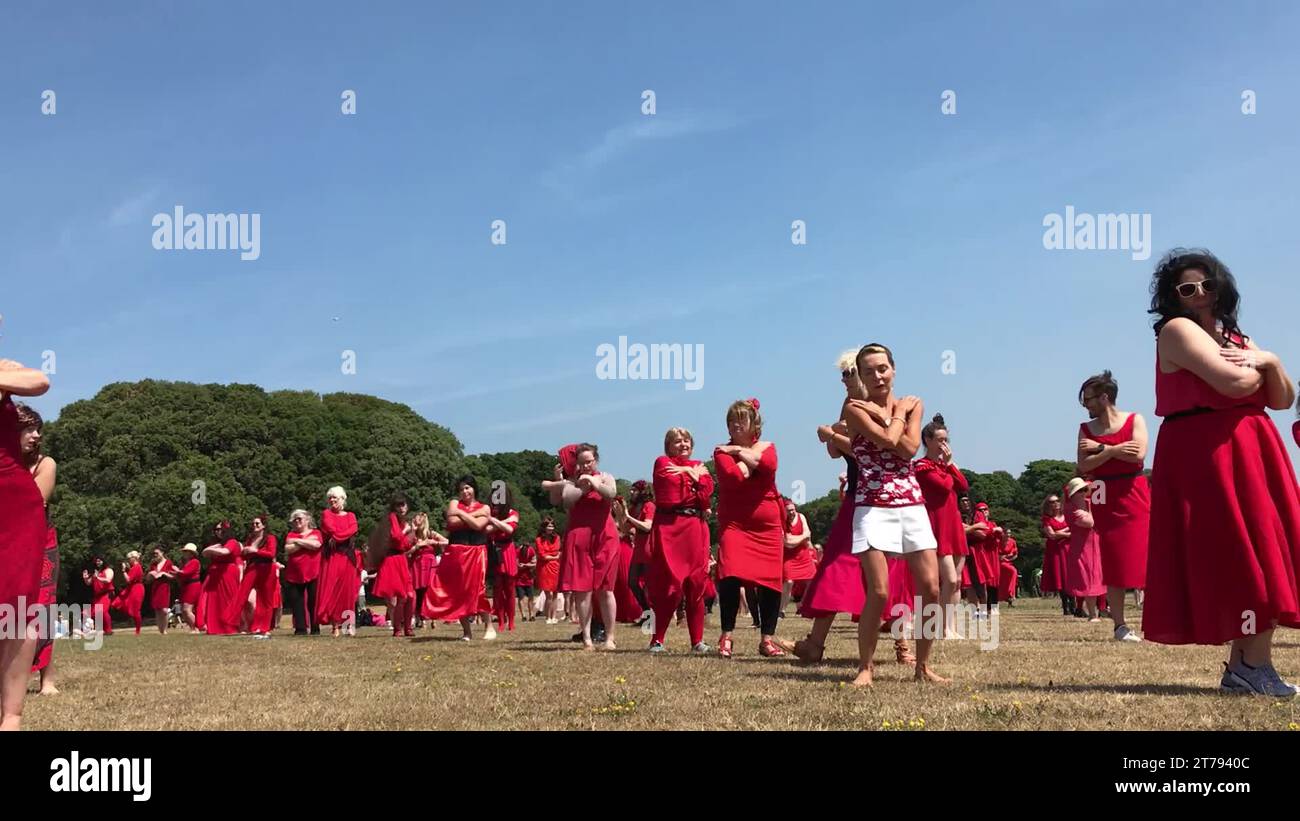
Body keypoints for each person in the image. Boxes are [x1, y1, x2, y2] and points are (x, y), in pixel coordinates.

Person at [1143, 249, 1299, 695]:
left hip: (1249, 449)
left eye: (1206, 285)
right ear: (1172, 297)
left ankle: (1242, 667)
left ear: (1221, 286)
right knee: (1244, 553)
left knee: (1259, 548)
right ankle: (1255, 665)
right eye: (1186, 289)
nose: (1198, 295)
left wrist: (1268, 362)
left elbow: (1283, 397)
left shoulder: (1235, 335)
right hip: (1207, 451)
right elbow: (1235, 384)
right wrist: (1260, 368)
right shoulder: (1176, 331)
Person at [842, 343, 946, 686]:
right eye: (869, 370)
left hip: (911, 504)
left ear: (894, 369)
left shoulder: (915, 403)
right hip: (871, 505)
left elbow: (910, 447)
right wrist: (900, 415)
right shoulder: (855, 408)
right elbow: (889, 439)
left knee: (931, 588)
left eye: (883, 368)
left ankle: (923, 666)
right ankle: (865, 667)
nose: (877, 375)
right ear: (861, 375)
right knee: (880, 591)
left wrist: (899, 419)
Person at [1077, 370, 1150, 641]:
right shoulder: (1085, 429)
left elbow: (1139, 453)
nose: (1086, 405)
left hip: (1134, 490)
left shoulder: (1135, 419)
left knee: (1146, 555)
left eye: (1089, 399)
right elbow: (1083, 465)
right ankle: (1120, 625)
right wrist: (1118, 450)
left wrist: (1104, 450)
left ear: (1105, 397)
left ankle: (1154, 620)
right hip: (1103, 492)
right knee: (1113, 558)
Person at [713, 399, 786, 658]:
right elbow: (733, 478)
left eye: (741, 419)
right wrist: (752, 459)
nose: (735, 424)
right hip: (735, 523)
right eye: (731, 420)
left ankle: (767, 640)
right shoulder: (720, 452)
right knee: (730, 574)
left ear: (754, 423)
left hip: (767, 525)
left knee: (770, 583)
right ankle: (726, 636)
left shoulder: (767, 447)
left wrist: (739, 453)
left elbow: (769, 467)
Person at [0, 356, 51, 730]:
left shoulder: (5, 368)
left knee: (17, 609)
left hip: (12, 503)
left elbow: (39, 382)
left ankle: (11, 717)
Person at [544, 444, 619, 650]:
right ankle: (586, 637)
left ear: (596, 460)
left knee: (605, 590)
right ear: (576, 463)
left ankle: (609, 637)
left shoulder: (605, 476)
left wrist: (594, 482)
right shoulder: (571, 482)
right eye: (582, 462)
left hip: (605, 537)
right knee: (582, 590)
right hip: (579, 538)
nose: (586, 465)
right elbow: (566, 502)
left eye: (589, 461)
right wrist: (579, 486)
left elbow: (610, 493)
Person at [646, 427, 714, 653]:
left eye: (686, 440)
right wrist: (695, 477)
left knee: (696, 584)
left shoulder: (698, 465)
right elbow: (670, 494)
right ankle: (657, 639)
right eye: (677, 441)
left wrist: (694, 481)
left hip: (695, 529)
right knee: (669, 587)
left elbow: (707, 493)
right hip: (670, 528)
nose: (683, 444)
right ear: (668, 446)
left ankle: (697, 641)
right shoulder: (662, 462)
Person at [913, 413, 970, 635]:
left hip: (954, 523)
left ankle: (950, 626)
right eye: (940, 440)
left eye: (946, 440)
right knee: (948, 578)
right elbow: (946, 486)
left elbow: (963, 484)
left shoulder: (944, 465)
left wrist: (949, 465)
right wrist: (947, 467)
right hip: (936, 525)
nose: (944, 444)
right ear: (927, 440)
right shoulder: (921, 467)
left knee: (956, 581)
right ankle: (939, 626)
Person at [16, 403, 59, 693]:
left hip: (40, 542)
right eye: (28, 429)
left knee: (42, 607)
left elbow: (35, 504)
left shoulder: (46, 464)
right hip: (7, 542)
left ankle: (47, 679)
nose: (36, 435)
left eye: (38, 429)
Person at [423, 476, 495, 641]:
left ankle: (489, 626)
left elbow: (478, 526)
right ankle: (466, 631)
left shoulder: (484, 507)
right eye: (462, 489)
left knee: (479, 591)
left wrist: (461, 514)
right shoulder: (454, 503)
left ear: (474, 488)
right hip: (456, 551)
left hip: (476, 552)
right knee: (457, 592)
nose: (465, 491)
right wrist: (473, 516)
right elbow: (452, 522)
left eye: (468, 488)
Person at [316, 490, 365, 636]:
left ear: (342, 499)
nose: (332, 500)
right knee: (332, 590)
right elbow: (330, 528)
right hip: (332, 557)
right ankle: (335, 626)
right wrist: (341, 535)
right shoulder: (326, 514)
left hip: (348, 557)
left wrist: (336, 537)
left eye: (335, 497)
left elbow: (354, 529)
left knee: (348, 592)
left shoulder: (351, 515)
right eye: (330, 498)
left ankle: (348, 625)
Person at [372, 493, 416, 637]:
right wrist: (406, 531)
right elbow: (396, 538)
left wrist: (411, 531)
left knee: (410, 596)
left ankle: (407, 627)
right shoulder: (392, 518)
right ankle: (399, 628)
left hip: (401, 559)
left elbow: (407, 543)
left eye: (403, 504)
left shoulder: (405, 522)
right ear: (394, 507)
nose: (401, 507)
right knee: (400, 596)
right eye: (398, 505)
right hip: (392, 559)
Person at [1064, 479, 1105, 621]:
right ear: (1072, 494)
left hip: (1095, 547)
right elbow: (1090, 522)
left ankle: (1096, 613)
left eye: (1084, 490)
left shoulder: (1087, 504)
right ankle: (1092, 614)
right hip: (1081, 549)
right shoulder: (1071, 509)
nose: (1083, 493)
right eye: (1079, 491)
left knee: (1096, 579)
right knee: (1087, 580)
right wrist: (1094, 509)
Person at [233, 515, 277, 635]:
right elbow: (244, 556)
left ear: (263, 526)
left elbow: (271, 554)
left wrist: (255, 551)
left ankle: (264, 627)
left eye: (257, 524)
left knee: (265, 599)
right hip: (252, 568)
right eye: (253, 524)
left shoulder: (270, 538)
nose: (254, 526)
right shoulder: (250, 539)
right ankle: (236, 624)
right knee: (242, 595)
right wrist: (245, 552)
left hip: (267, 568)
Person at [284, 509, 324, 635]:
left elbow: (316, 545)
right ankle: (300, 629)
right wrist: (306, 541)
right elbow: (288, 549)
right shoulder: (291, 534)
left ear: (307, 520)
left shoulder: (316, 532)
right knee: (297, 603)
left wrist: (297, 541)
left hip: (313, 572)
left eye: (299, 518)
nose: (297, 521)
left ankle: (315, 628)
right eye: (294, 519)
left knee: (313, 601)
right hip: (294, 574)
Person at [200, 522, 243, 635]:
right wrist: (210, 549)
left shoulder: (232, 542)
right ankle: (216, 627)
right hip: (216, 575)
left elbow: (225, 552)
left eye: (220, 529)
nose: (217, 532)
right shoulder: (218, 544)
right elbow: (204, 553)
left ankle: (230, 627)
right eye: (216, 530)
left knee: (228, 599)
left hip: (228, 573)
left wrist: (209, 550)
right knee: (215, 601)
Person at [486, 497, 520, 632]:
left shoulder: (512, 512)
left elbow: (509, 530)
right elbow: (486, 530)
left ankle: (511, 621)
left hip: (508, 550)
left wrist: (494, 521)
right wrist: (502, 522)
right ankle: (501, 621)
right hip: (495, 550)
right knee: (497, 589)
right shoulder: (490, 512)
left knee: (510, 588)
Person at [624, 480, 655, 628]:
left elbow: (648, 526)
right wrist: (620, 512)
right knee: (632, 582)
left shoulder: (649, 506)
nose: (631, 493)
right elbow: (625, 529)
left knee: (650, 585)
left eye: (634, 490)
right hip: (638, 550)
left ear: (642, 491)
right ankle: (647, 612)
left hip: (650, 549)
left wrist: (629, 518)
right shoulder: (633, 508)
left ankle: (652, 619)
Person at [780, 498, 818, 617]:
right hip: (788, 557)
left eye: (793, 510)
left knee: (812, 581)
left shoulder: (801, 517)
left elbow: (808, 535)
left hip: (804, 555)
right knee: (789, 582)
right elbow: (787, 543)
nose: (792, 512)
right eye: (789, 511)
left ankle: (802, 606)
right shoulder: (781, 522)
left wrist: (798, 539)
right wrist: (803, 538)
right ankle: (781, 610)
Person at [1039, 495, 1072, 616]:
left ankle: (1073, 604)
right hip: (1056, 551)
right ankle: (1065, 606)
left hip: (1069, 549)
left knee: (1071, 576)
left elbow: (1055, 533)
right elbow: (1051, 535)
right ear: (1048, 505)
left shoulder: (1067, 515)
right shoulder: (1046, 519)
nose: (1056, 503)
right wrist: (1067, 533)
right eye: (1052, 502)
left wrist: (1059, 532)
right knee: (1060, 577)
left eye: (1057, 501)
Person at [534, 517, 562, 624]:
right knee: (547, 594)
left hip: (555, 567)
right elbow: (542, 555)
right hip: (544, 568)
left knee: (555, 593)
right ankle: (548, 617)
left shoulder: (557, 538)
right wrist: (554, 556)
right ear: (544, 528)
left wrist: (551, 556)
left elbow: (557, 550)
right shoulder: (538, 540)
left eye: (552, 526)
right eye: (548, 526)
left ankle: (554, 616)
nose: (551, 528)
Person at [146, 547, 177, 635]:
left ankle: (165, 629)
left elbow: (173, 576)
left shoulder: (168, 563)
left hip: (164, 587)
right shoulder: (153, 564)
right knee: (157, 609)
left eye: (157, 553)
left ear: (162, 553)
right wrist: (150, 574)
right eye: (154, 553)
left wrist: (164, 574)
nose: (155, 555)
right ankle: (161, 630)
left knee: (164, 609)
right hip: (155, 587)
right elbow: (148, 579)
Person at [83, 557, 115, 635]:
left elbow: (108, 580)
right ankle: (102, 630)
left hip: (107, 593)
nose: (98, 562)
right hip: (98, 596)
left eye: (99, 561)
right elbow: (89, 583)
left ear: (103, 561)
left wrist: (98, 577)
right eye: (96, 561)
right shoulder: (95, 572)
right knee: (92, 613)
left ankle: (108, 630)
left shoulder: (108, 570)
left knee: (103, 611)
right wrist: (85, 578)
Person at [176, 544, 202, 631]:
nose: (184, 553)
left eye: (186, 551)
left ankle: (196, 628)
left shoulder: (195, 562)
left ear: (191, 553)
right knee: (184, 610)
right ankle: (192, 627)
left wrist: (175, 570)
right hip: (186, 586)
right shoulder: (183, 563)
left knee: (187, 609)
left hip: (193, 586)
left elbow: (185, 573)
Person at [515, 538, 537, 623]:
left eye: (527, 546)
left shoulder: (531, 551)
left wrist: (526, 565)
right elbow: (515, 562)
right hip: (519, 578)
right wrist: (519, 565)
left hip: (529, 577)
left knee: (531, 597)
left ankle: (531, 615)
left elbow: (535, 563)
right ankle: (523, 616)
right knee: (521, 597)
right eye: (524, 546)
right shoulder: (518, 551)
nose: (525, 548)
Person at [998, 528, 1019, 607]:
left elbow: (1016, 555)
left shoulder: (1013, 542)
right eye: (1006, 533)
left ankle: (1010, 596)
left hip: (1008, 562)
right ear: (1002, 533)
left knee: (1012, 574)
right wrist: (1002, 557)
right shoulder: (998, 542)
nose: (1008, 535)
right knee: (1013, 571)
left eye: (1009, 533)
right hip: (1000, 563)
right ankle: (1010, 593)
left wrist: (1008, 558)